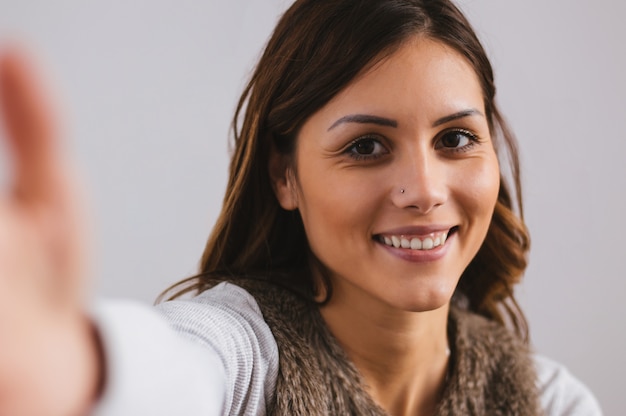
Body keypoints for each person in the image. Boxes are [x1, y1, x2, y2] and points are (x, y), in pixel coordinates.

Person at [0, 0, 603, 415]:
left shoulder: (552, 400)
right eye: (366, 146)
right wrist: (74, 366)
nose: (423, 189)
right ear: (284, 176)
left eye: (455, 139)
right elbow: (176, 368)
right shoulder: (242, 361)